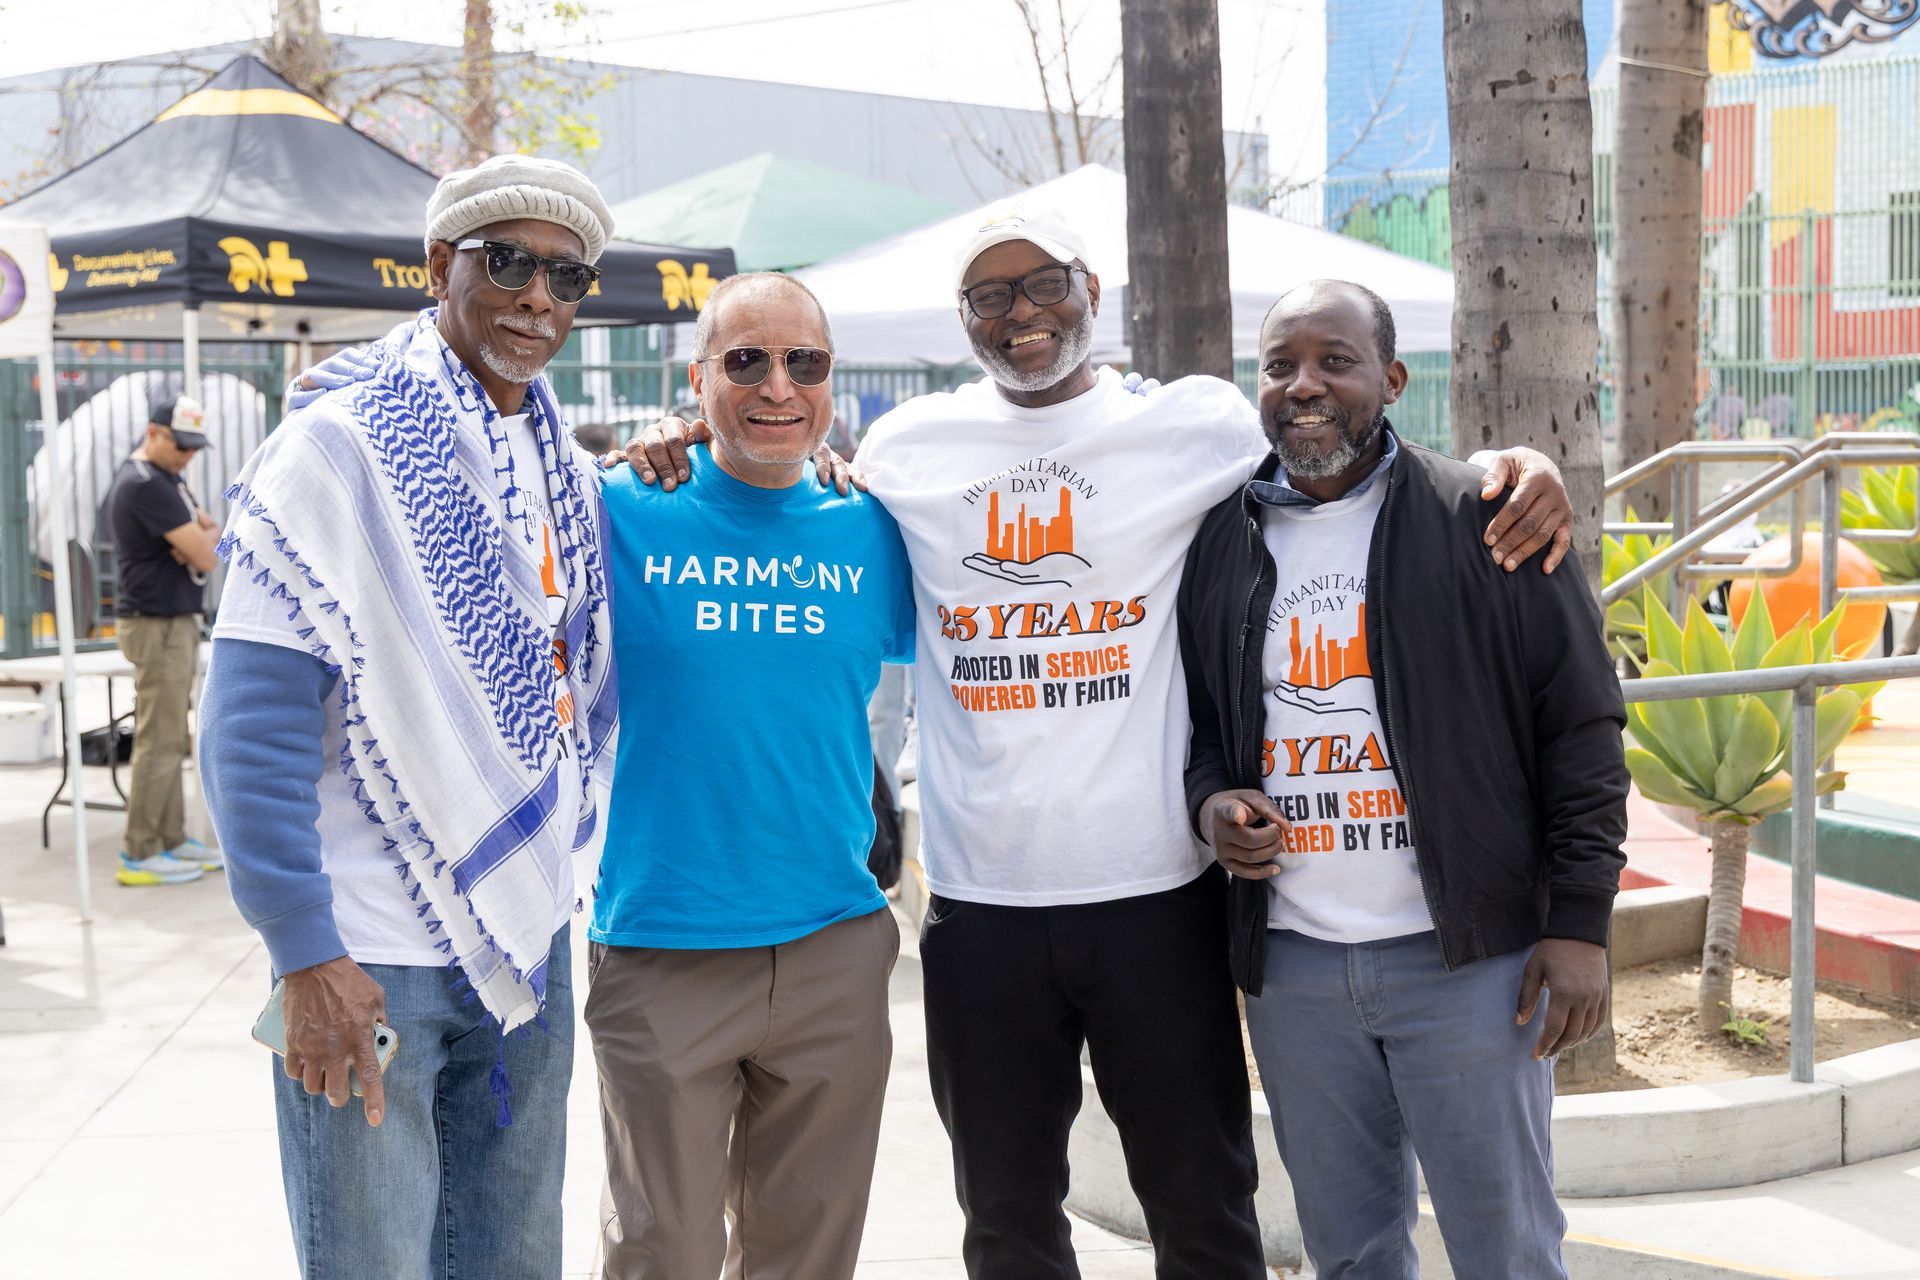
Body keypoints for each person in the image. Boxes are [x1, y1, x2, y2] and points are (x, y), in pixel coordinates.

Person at [621, 206, 1577, 1279]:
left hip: (1159, 900)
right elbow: (778, 461)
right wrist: (687, 432)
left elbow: (1341, 437)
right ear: (965, 320)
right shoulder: (903, 450)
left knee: (1205, 1213)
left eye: (1042, 285)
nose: (1021, 313)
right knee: (1009, 1225)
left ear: (1091, 288)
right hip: (982, 912)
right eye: (991, 295)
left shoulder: (1201, 423)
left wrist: (1511, 461)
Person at [198, 154, 620, 1280]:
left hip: (525, 951)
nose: (540, 297)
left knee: (512, 1260)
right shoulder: (335, 455)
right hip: (368, 955)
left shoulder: (563, 473)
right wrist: (305, 953)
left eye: (568, 277)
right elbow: (248, 726)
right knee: (375, 1262)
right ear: (440, 266)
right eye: (511, 263)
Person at [1178, 280, 1627, 1277]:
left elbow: (1583, 724)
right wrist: (1214, 803)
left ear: (1389, 377)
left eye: (1334, 360)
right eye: (1281, 363)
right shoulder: (1222, 540)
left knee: (1505, 1246)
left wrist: (1580, 921)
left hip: (1467, 962)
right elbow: (1203, 728)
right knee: (1352, 1250)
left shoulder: (1486, 516)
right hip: (1295, 970)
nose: (1305, 384)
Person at [586, 270, 915, 1278]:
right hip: (664, 943)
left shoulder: (877, 528)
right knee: (664, 1252)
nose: (778, 386)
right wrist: (627, 448)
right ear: (698, 380)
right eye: (746, 361)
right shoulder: (619, 510)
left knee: (806, 1255)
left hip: (833, 945)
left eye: (803, 362)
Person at [100, 393, 222, 885]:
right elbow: (209, 552)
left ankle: (169, 838)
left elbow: (206, 537)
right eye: (181, 446)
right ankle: (142, 849)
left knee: (172, 737)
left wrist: (197, 540)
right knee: (158, 739)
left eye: (194, 448)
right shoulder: (146, 483)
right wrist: (196, 540)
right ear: (154, 433)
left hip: (170, 618)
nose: (187, 456)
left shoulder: (166, 479)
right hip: (157, 622)